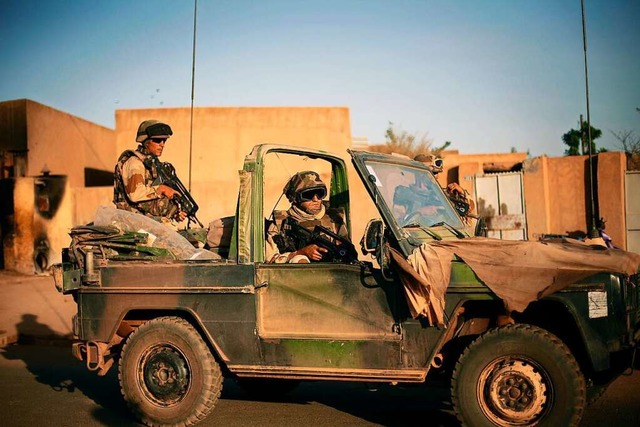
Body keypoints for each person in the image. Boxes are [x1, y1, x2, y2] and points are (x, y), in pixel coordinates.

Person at [113, 120, 187, 226]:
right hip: (132, 224)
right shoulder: (135, 162)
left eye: (164, 141)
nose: (162, 144)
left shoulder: (150, 164)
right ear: (146, 141)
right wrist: (162, 189)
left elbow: (149, 199)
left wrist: (174, 212)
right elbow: (135, 195)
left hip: (146, 222)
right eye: (157, 140)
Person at [266, 171, 350, 263]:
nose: (315, 199)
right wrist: (299, 253)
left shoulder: (335, 219)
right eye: (308, 195)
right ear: (295, 198)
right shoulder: (280, 223)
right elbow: (270, 260)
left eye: (320, 193)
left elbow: (351, 255)